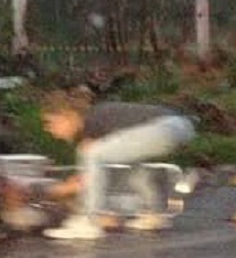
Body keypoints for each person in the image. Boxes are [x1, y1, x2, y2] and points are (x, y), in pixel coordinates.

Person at [39, 88, 195, 240]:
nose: (49, 130)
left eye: (51, 123)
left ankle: (87, 221)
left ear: (68, 116)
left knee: (93, 154)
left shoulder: (94, 118)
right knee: (131, 162)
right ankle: (153, 213)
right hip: (180, 127)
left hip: (166, 127)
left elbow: (88, 173)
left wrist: (64, 190)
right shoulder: (96, 122)